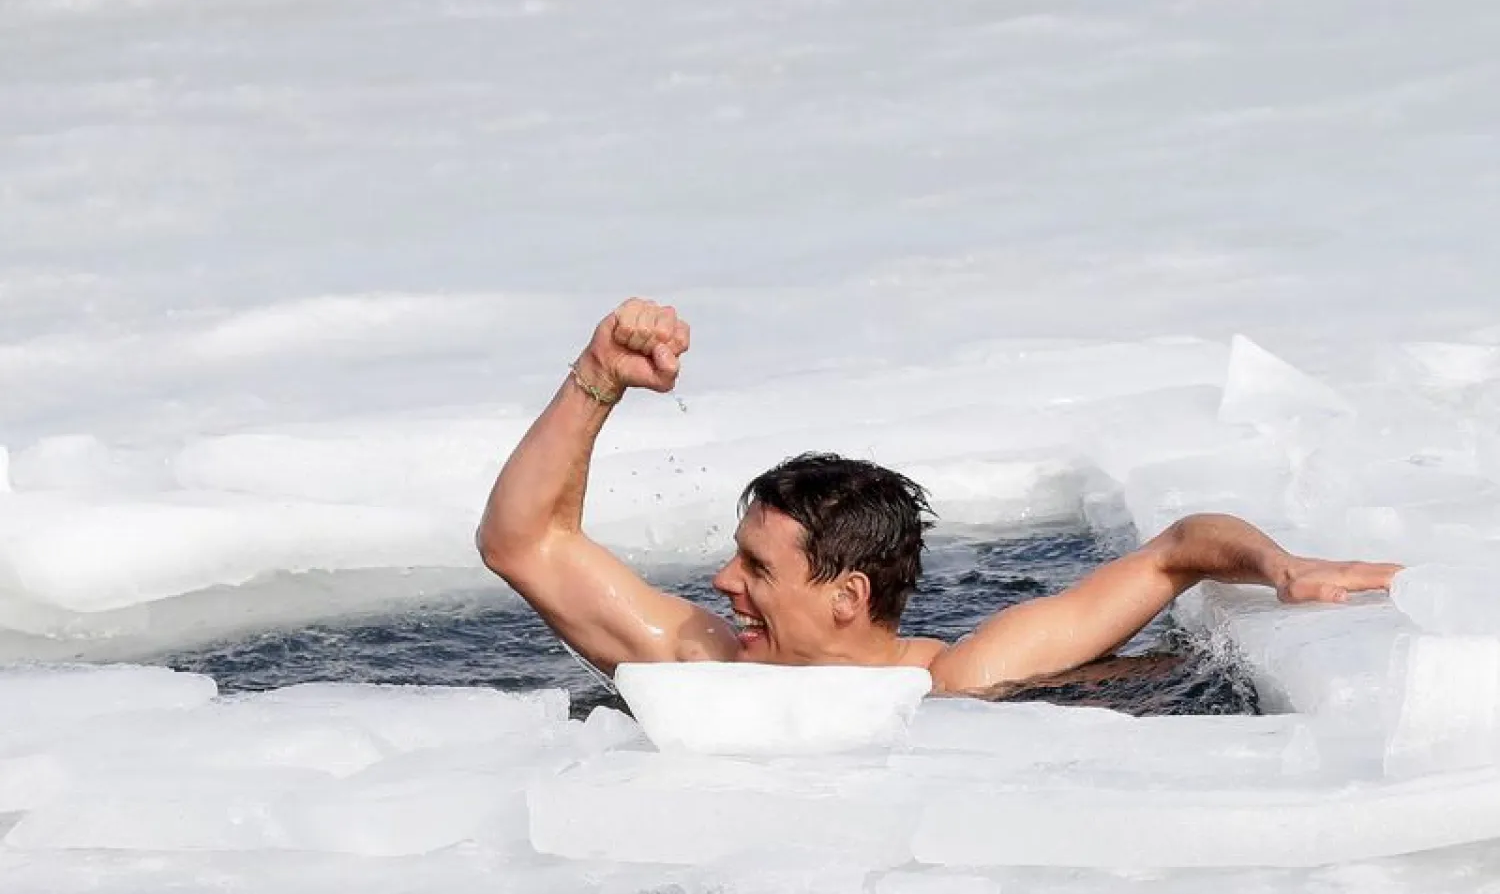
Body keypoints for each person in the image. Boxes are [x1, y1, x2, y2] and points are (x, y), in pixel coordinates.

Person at [476, 299, 1401, 694]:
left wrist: (1279, 567)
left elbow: (1177, 549)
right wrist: (599, 375)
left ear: (847, 597)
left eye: (756, 566)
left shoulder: (958, 680)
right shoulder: (701, 664)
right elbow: (522, 543)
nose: (722, 582)